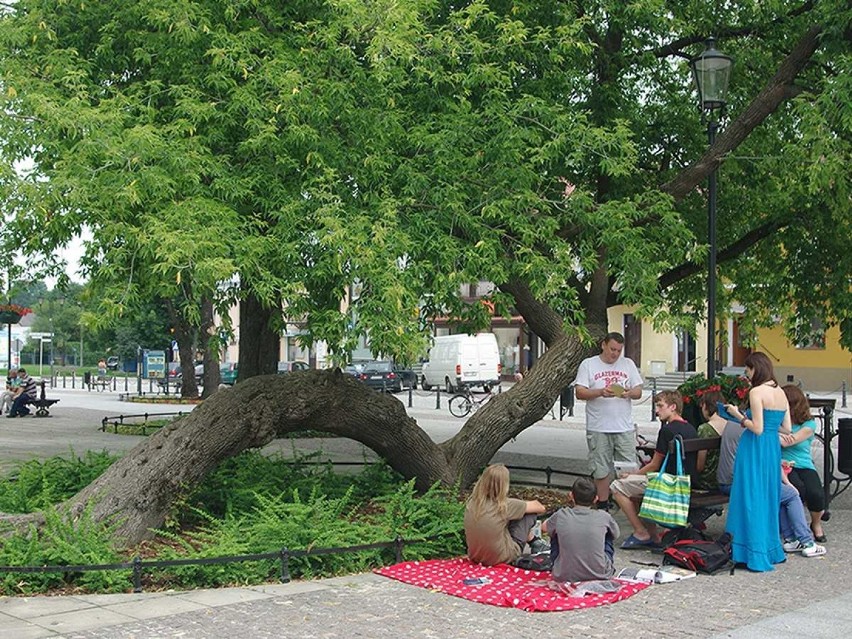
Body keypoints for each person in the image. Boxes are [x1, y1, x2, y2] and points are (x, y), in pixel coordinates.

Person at [716, 390, 825, 559]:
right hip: (745, 480)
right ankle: (806, 541)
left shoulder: (740, 425)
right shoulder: (756, 429)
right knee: (791, 494)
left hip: (736, 478)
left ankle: (790, 537)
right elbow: (768, 457)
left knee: (787, 493)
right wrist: (784, 480)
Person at [723, 352, 790, 571]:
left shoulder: (756, 392)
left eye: (748, 370)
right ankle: (770, 548)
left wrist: (738, 415)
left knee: (749, 495)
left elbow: (757, 428)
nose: (747, 374)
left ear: (755, 369)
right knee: (768, 495)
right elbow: (786, 427)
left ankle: (749, 549)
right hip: (771, 449)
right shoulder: (780, 392)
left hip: (754, 447)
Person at [610, 390, 698, 549]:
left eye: (660, 406)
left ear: (673, 407)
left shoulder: (667, 430)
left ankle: (641, 532)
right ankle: (653, 535)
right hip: (686, 483)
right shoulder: (691, 429)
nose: (657, 411)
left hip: (668, 485)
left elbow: (655, 465)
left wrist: (631, 475)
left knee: (617, 486)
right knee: (633, 488)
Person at [574, 332, 644, 505]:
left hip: (624, 426)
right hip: (598, 426)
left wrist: (628, 392)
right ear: (603, 345)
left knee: (628, 468)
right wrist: (600, 392)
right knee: (600, 468)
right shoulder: (589, 364)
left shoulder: (628, 364)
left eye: (619, 351)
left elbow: (638, 391)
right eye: (612, 349)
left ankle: (629, 504)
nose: (615, 354)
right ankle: (603, 503)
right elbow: (580, 392)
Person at [464, 464, 547, 566]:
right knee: (528, 514)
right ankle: (535, 543)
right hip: (501, 557)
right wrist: (521, 504)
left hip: (476, 556)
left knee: (515, 514)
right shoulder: (505, 505)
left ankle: (534, 541)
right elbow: (540, 507)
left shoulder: (472, 503)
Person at [542, 477, 620, 582]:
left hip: (564, 575)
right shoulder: (604, 516)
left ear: (571, 496)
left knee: (555, 530)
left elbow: (544, 527)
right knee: (608, 532)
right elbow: (616, 534)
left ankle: (563, 565)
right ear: (596, 499)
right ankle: (598, 565)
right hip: (599, 574)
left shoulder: (561, 514)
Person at [781, 384, 827, 542]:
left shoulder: (809, 424)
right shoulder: (779, 424)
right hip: (784, 465)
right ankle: (795, 525)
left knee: (816, 493)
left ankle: (816, 524)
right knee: (797, 489)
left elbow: (789, 442)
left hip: (804, 465)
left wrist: (773, 434)